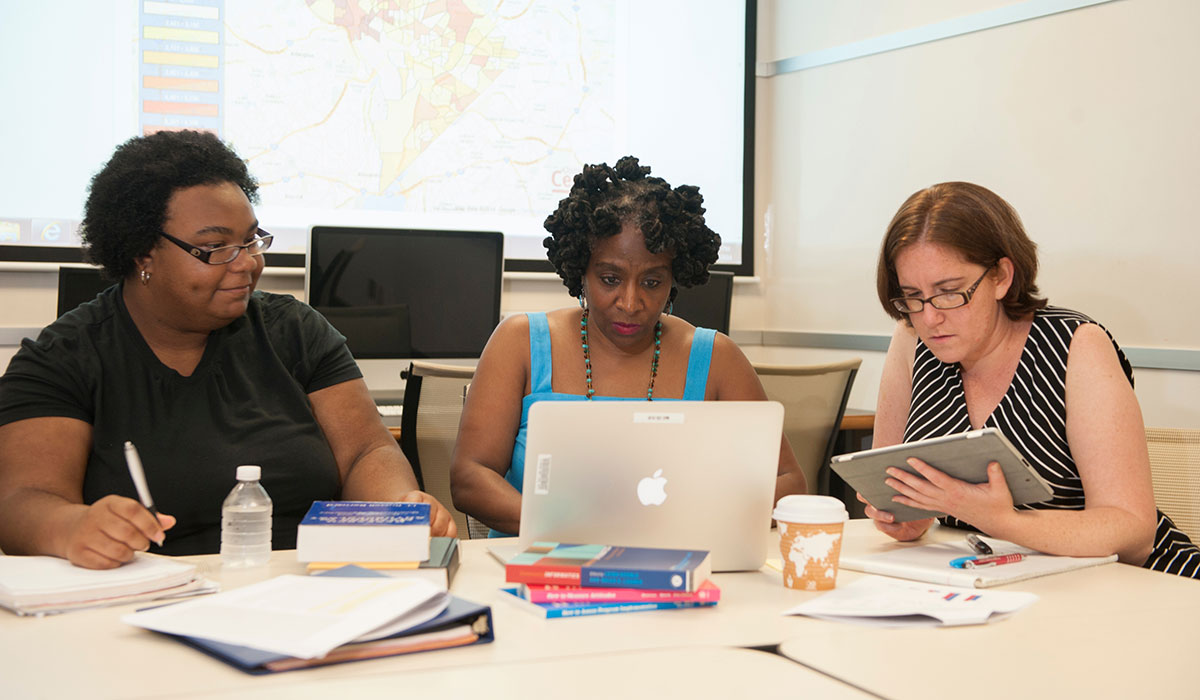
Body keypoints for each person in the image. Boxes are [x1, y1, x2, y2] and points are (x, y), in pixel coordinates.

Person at [0, 130, 456, 569]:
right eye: (215, 247)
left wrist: (400, 506)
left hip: (309, 586)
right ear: (142, 254)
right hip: (146, 597)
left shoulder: (296, 330)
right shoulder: (65, 356)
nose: (248, 263)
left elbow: (365, 452)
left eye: (251, 240)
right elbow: (23, 501)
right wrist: (73, 526)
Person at [450, 156, 804, 536]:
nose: (631, 303)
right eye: (609, 278)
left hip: (677, 567)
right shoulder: (520, 343)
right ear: (580, 271)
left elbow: (788, 483)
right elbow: (470, 478)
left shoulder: (716, 358)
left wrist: (690, 516)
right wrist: (572, 525)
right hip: (539, 571)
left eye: (652, 283)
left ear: (674, 279)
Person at [867, 181, 1198, 578]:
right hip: (1000, 582)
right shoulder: (911, 340)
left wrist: (1002, 520)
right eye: (913, 297)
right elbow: (890, 484)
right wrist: (911, 515)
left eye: (950, 292)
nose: (930, 317)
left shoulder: (1076, 345)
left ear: (1001, 277)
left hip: (1143, 584)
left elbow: (1132, 529)